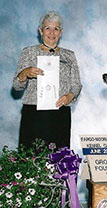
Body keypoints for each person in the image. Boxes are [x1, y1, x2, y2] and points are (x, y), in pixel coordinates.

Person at [12, 11, 82, 149]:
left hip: (60, 112)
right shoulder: (28, 52)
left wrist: (69, 96)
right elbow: (16, 86)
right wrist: (24, 73)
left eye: (56, 29)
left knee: (60, 158)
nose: (52, 33)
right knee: (31, 156)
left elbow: (76, 84)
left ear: (60, 32)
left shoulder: (69, 55)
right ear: (40, 31)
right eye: (47, 28)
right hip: (34, 112)